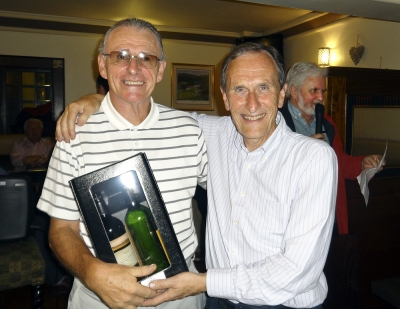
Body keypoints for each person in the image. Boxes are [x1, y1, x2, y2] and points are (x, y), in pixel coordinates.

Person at [56, 42, 338, 309]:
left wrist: (202, 283)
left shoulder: (314, 158)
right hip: (218, 303)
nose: (252, 104)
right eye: (239, 89)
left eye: (263, 87)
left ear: (281, 94)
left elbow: (296, 271)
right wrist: (98, 102)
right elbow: (149, 116)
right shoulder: (213, 133)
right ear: (225, 98)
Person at [37, 17, 207, 309]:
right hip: (99, 298)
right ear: (103, 65)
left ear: (160, 69)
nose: (134, 68)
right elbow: (61, 230)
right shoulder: (74, 134)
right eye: (121, 56)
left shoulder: (189, 129)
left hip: (180, 297)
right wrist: (93, 273)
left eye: (146, 58)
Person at [281, 62, 384, 235]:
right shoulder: (276, 123)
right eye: (314, 91)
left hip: (327, 219)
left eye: (323, 91)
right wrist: (304, 151)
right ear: (293, 91)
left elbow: (339, 163)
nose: (321, 97)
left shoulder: (327, 122)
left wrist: (362, 163)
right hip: (292, 222)